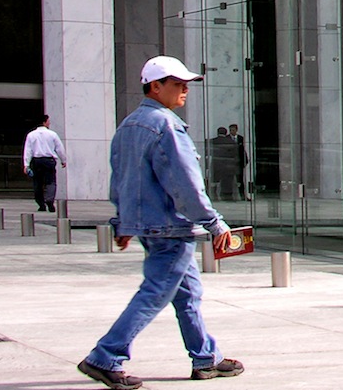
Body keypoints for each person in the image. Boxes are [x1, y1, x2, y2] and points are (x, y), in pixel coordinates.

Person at [78, 55, 242, 387]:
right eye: (178, 84)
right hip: (170, 227)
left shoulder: (128, 127)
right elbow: (185, 183)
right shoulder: (167, 126)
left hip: (149, 227)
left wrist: (122, 222)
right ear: (155, 86)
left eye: (187, 84)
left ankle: (205, 358)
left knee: (188, 294)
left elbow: (120, 180)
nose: (185, 91)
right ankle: (105, 356)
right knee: (154, 294)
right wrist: (214, 222)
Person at [23, 114, 67, 212]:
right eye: (48, 121)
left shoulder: (31, 135)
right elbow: (59, 148)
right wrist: (63, 160)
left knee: (37, 183)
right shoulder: (52, 134)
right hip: (49, 160)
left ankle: (41, 204)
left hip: (37, 160)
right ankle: (50, 199)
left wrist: (26, 164)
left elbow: (28, 150)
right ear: (44, 122)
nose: (49, 123)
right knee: (51, 182)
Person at [207, 128, 237, 202]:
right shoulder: (231, 142)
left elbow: (208, 152)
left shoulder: (212, 141)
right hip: (227, 164)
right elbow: (234, 154)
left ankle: (214, 195)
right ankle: (227, 197)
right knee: (227, 182)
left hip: (216, 163)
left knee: (215, 181)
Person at [228, 124, 249, 200]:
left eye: (233, 130)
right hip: (231, 163)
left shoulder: (240, 138)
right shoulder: (227, 139)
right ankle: (230, 197)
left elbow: (242, 150)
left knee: (240, 180)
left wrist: (245, 161)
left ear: (236, 130)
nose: (232, 132)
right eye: (230, 130)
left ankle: (243, 196)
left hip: (238, 163)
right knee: (229, 181)